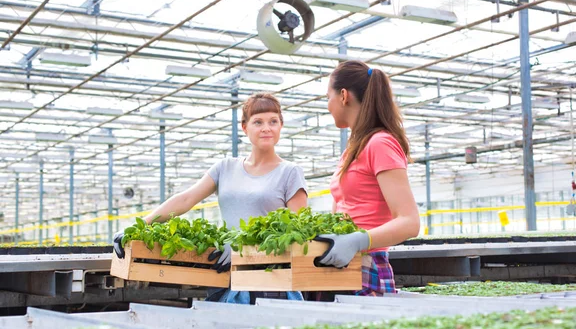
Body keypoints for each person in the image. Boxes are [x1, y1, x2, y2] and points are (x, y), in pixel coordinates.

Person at [113, 93, 308, 302]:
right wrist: (141, 225)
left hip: (271, 283)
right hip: (227, 278)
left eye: (273, 121)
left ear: (281, 126)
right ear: (244, 127)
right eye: (258, 122)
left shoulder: (290, 172)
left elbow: (296, 233)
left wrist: (244, 248)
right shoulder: (225, 168)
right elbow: (186, 199)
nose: (266, 128)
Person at [315, 60, 420, 297]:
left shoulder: (380, 143)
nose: (328, 106)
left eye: (327, 97)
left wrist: (357, 241)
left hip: (366, 265)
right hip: (342, 263)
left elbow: (410, 221)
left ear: (343, 96)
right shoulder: (354, 148)